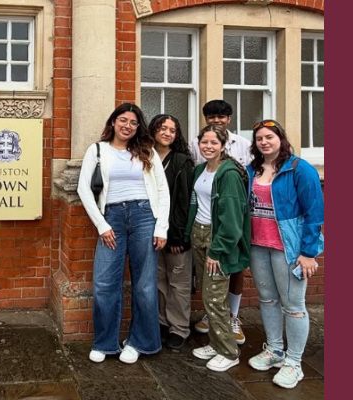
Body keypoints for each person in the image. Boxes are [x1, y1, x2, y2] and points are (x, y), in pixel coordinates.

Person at [76, 103, 170, 364]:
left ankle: (141, 342)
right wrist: (102, 225)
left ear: (138, 127)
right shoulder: (97, 150)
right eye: (123, 120)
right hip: (112, 217)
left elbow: (162, 191)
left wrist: (161, 227)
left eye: (133, 122)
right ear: (113, 122)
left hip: (144, 217)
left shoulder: (146, 151)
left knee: (145, 285)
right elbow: (84, 190)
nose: (128, 126)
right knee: (105, 282)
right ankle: (105, 343)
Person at [245, 119, 324, 389]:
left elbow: (314, 213)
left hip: (288, 248)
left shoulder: (300, 169)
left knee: (293, 306)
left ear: (280, 138)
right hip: (258, 245)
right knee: (267, 300)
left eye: (269, 136)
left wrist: (309, 253)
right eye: (259, 139)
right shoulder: (251, 169)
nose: (264, 142)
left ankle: (294, 362)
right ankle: (275, 351)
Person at [187, 125, 250, 372]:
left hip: (217, 239)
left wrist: (218, 249)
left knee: (214, 298)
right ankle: (215, 343)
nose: (208, 147)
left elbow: (233, 219)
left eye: (214, 142)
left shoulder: (229, 174)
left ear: (223, 146)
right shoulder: (201, 169)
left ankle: (228, 351)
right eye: (204, 142)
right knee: (209, 294)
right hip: (198, 233)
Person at [149, 114, 195, 350]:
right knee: (158, 280)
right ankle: (161, 323)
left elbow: (184, 201)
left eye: (172, 130)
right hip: (152, 231)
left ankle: (179, 327)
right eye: (162, 128)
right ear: (153, 130)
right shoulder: (145, 156)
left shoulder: (181, 161)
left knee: (178, 282)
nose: (167, 133)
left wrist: (178, 235)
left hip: (175, 234)